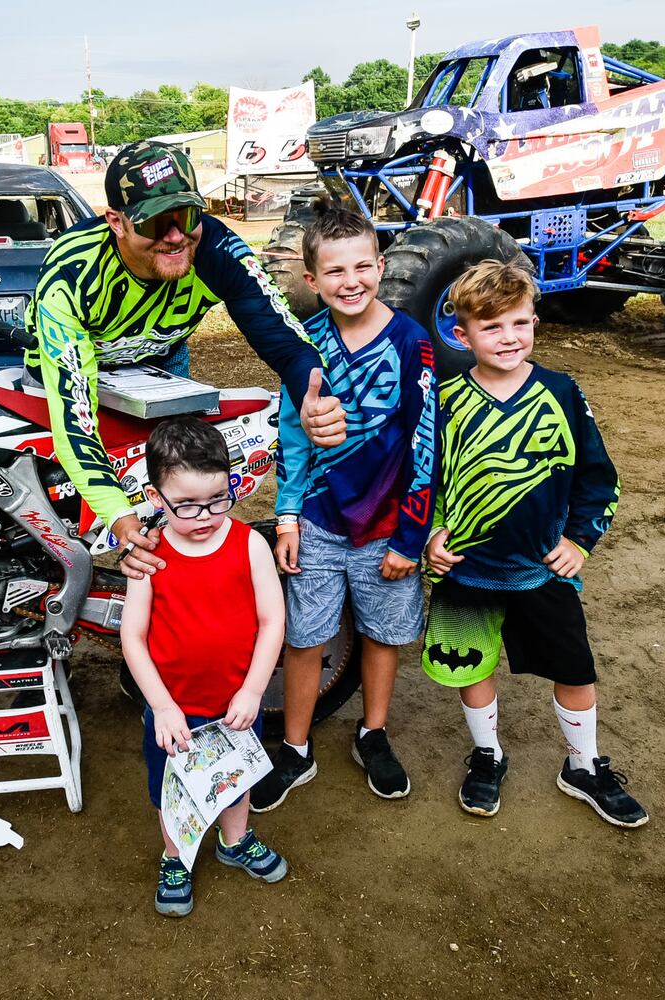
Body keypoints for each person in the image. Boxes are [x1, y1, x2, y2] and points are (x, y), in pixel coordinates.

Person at [25, 141, 346, 578]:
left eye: (187, 216)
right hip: (73, 369)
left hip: (159, 364)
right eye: (156, 221)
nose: (176, 236)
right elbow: (74, 418)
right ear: (117, 222)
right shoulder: (73, 271)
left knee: (176, 476)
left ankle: (176, 578)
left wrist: (315, 395)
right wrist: (118, 514)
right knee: (63, 495)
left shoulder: (217, 249)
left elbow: (283, 338)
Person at [422, 259, 648, 828]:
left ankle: (583, 765)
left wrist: (580, 539)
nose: (508, 338)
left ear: (535, 324)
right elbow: (423, 479)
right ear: (461, 333)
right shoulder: (445, 401)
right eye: (492, 327)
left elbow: (600, 477)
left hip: (542, 571)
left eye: (520, 324)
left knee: (574, 670)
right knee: (469, 665)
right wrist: (430, 534)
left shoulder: (563, 393)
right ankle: (487, 754)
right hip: (467, 569)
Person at [249, 199, 437, 813]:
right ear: (311, 280)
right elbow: (292, 437)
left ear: (381, 266)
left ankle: (373, 733)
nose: (350, 281)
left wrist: (412, 536)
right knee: (305, 635)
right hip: (322, 523)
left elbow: (425, 437)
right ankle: (296, 748)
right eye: (334, 271)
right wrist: (287, 516)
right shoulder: (306, 348)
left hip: (388, 526)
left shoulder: (412, 342)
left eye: (362, 266)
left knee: (383, 633)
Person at [119, 416, 288, 917]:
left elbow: (273, 620)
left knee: (236, 778)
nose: (207, 515)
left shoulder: (249, 544)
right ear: (156, 497)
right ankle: (176, 856)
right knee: (172, 789)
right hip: (174, 708)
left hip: (236, 702)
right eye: (188, 505)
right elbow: (132, 636)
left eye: (218, 498)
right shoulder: (150, 554)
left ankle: (235, 842)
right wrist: (163, 706)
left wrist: (254, 691)